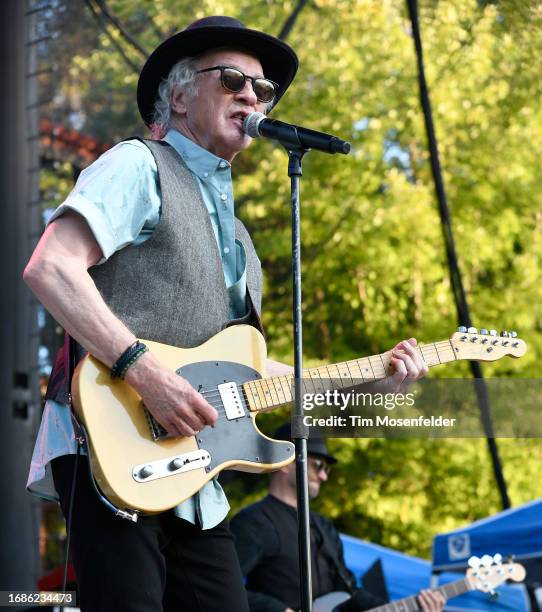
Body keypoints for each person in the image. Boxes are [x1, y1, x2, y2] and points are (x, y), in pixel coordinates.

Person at [23, 14, 430, 612]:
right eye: (234, 80)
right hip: (108, 443)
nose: (252, 96)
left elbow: (249, 376)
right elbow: (50, 267)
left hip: (195, 478)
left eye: (262, 91)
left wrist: (370, 376)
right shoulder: (137, 164)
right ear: (180, 95)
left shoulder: (239, 240)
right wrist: (143, 369)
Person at [231, 424, 445, 612]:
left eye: (327, 469)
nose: (324, 476)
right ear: (285, 463)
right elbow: (226, 588)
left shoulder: (323, 526)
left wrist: (413, 606)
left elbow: (349, 593)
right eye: (318, 465)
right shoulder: (253, 522)